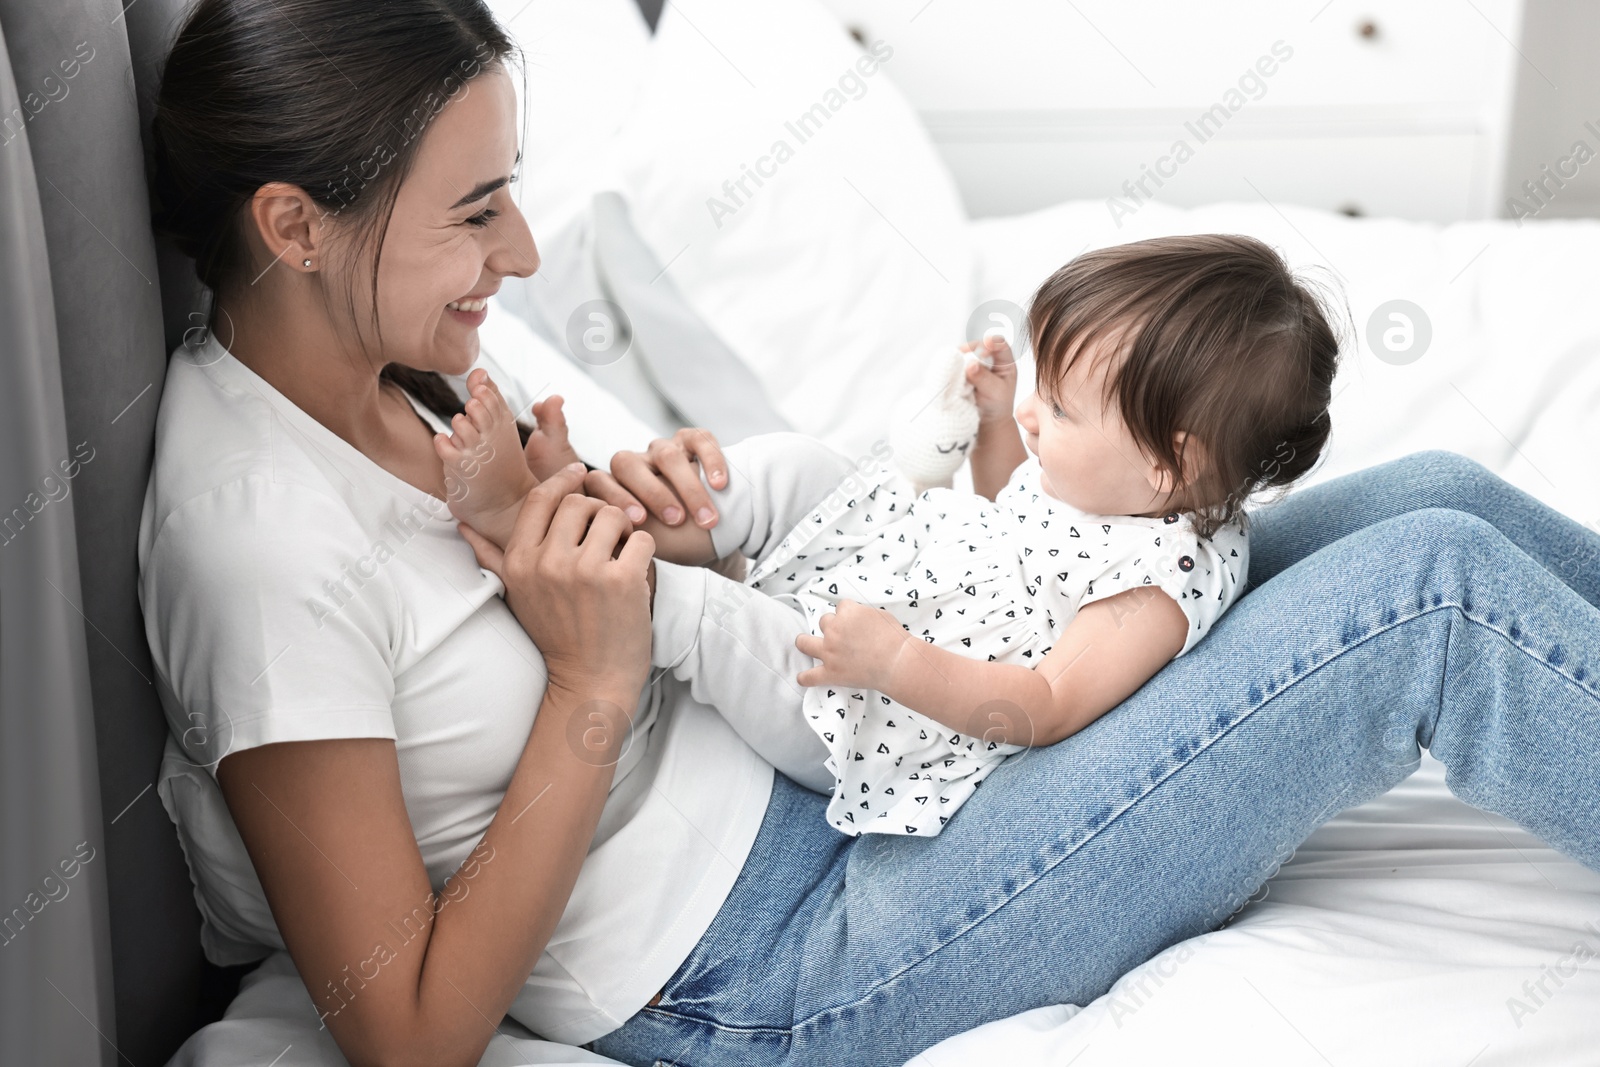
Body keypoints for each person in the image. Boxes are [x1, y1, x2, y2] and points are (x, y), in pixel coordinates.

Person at [142, 3, 1600, 1065]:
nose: (519, 253)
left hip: (851, 751)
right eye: (476, 212)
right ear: (294, 224)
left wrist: (676, 528)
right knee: (1434, 600)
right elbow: (405, 1032)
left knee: (1433, 497)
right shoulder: (254, 547)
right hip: (786, 952)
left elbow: (615, 598)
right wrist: (596, 682)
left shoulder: (421, 353)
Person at [435, 235, 1336, 838]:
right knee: (796, 466)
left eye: (1057, 407)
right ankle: (615, 506)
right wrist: (991, 426)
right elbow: (1007, 521)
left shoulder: (1153, 585)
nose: (1031, 411)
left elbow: (1043, 704)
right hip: (914, 580)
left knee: (722, 623)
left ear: (1170, 467)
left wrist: (894, 663)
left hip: (883, 713)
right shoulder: (1122, 485)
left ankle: (553, 539)